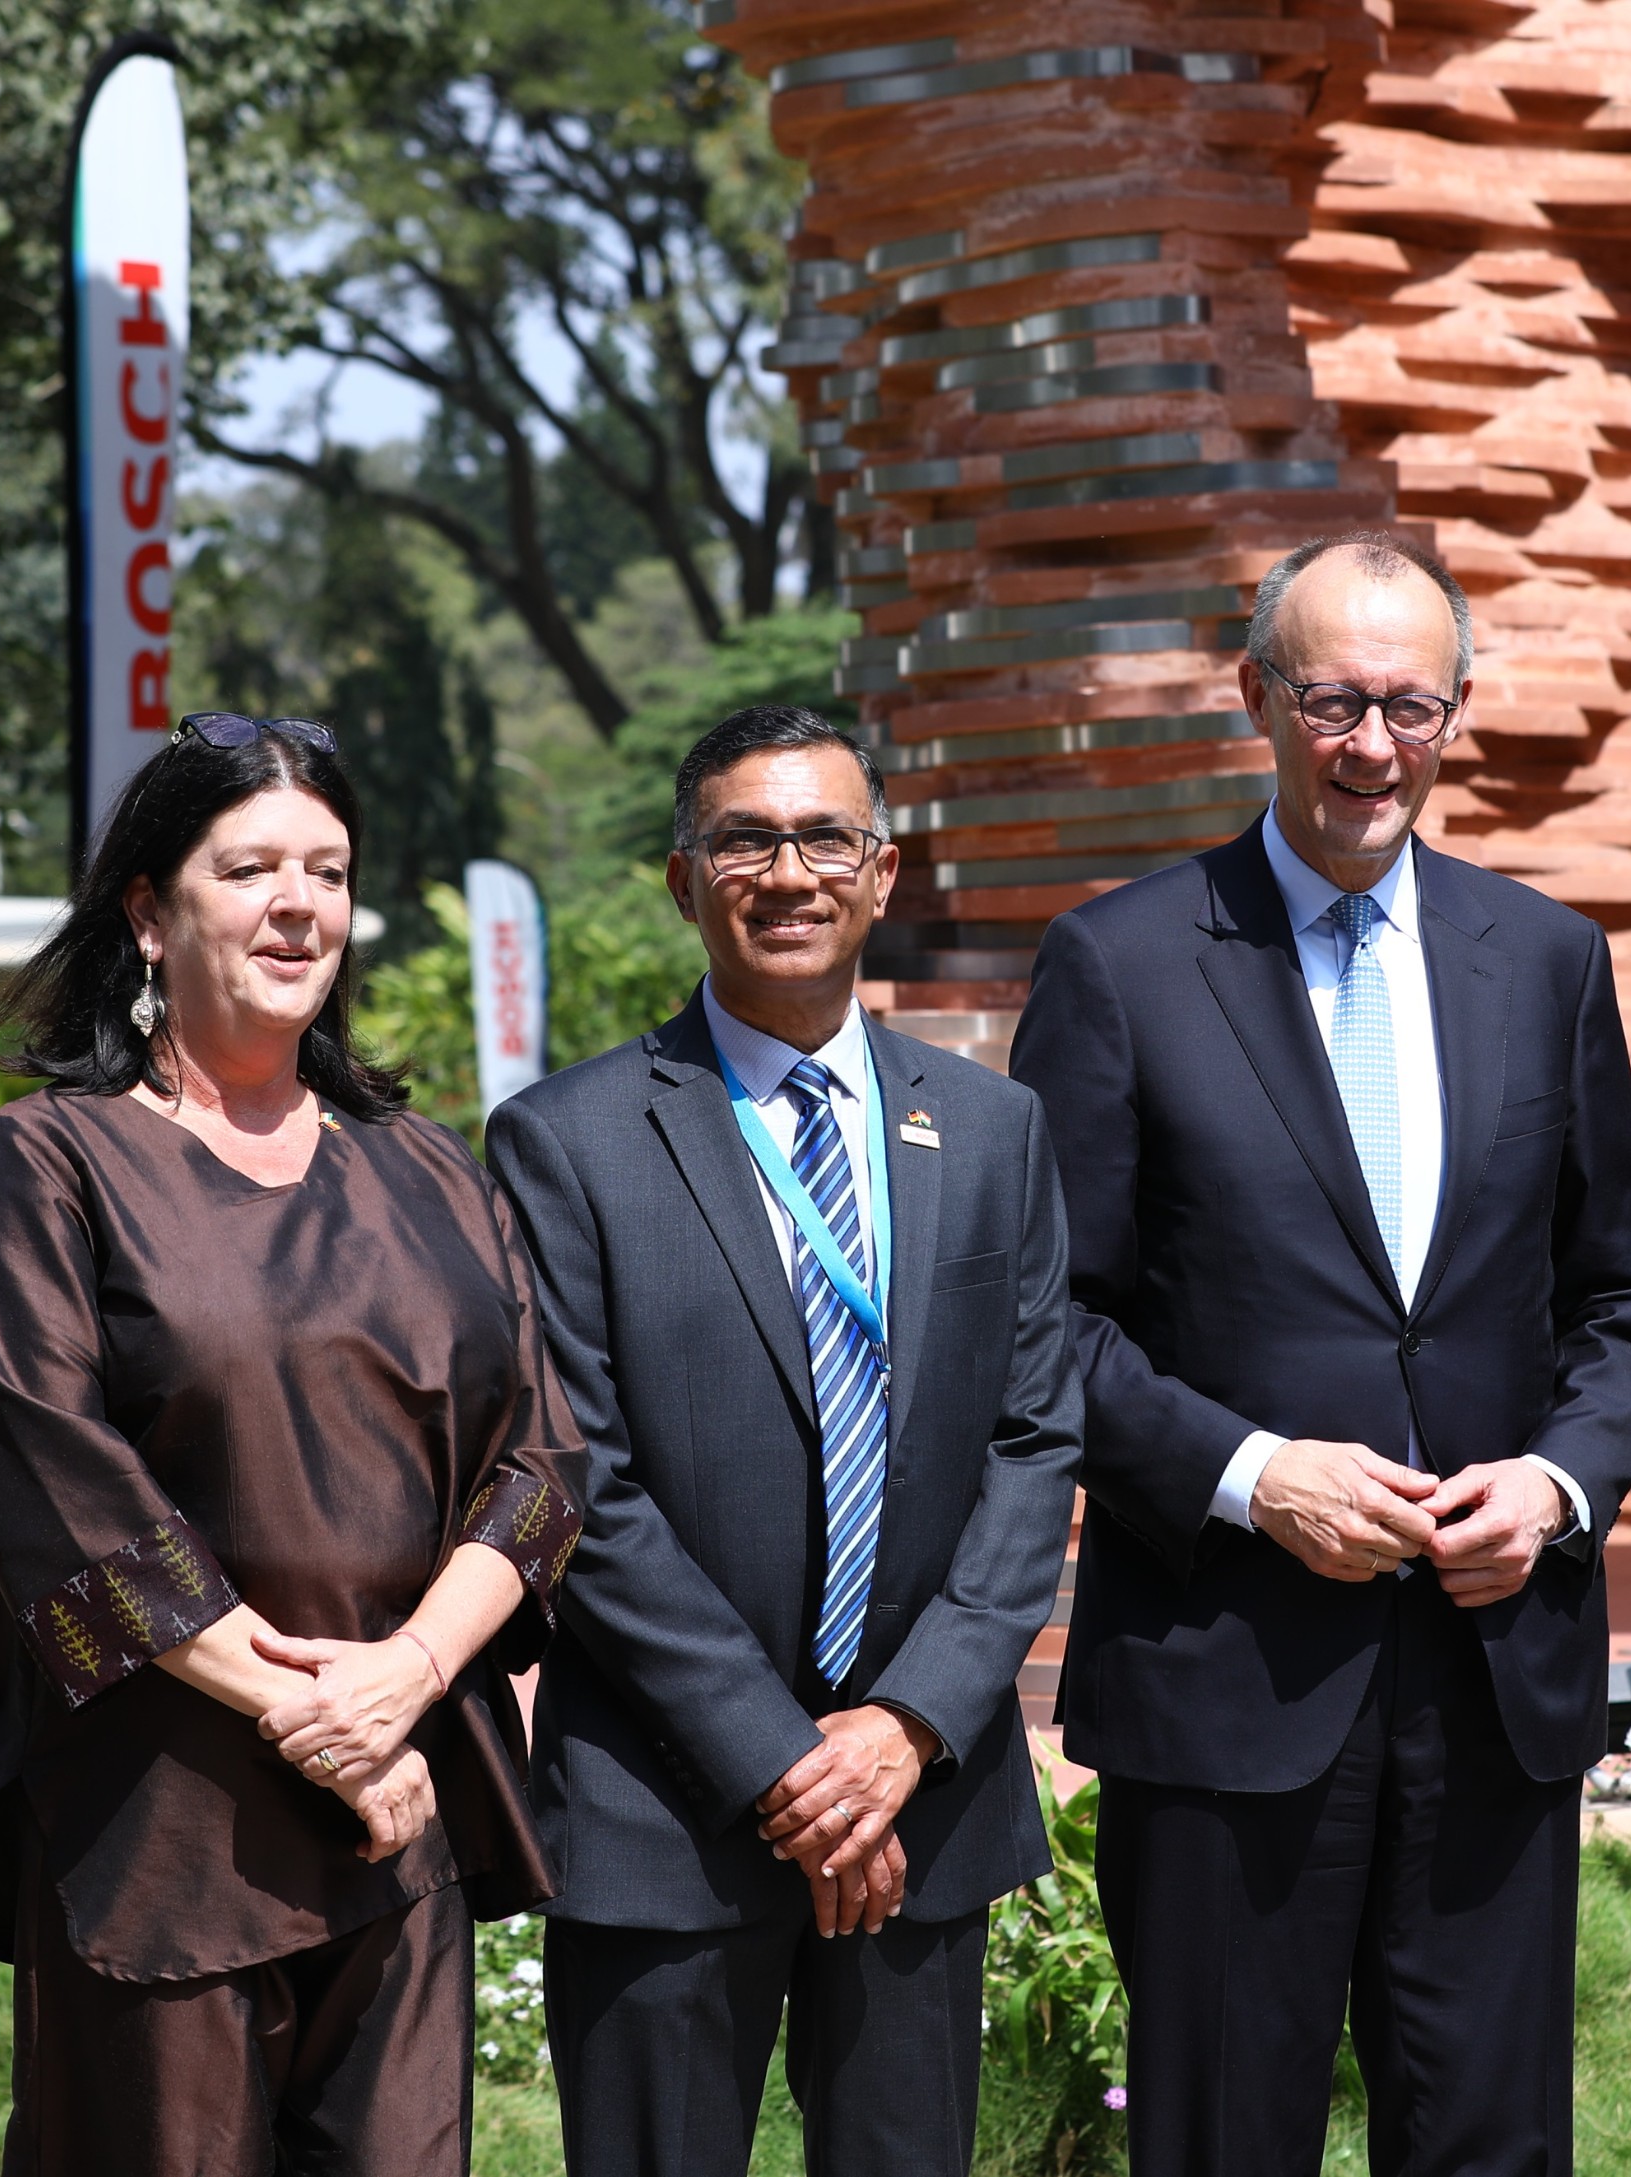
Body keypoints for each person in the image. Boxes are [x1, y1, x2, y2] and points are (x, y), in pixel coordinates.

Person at [0, 713, 585, 2177]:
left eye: (328, 867)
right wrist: (322, 1722)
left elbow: (543, 1468)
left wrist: (407, 1682)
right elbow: (59, 1495)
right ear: (147, 908)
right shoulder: (44, 1169)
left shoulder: (428, 1163)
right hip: (165, 1834)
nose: (298, 902)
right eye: (250, 867)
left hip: (401, 1817)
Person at [1006, 531, 1631, 2175]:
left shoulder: (1550, 964)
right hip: (1230, 1681)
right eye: (1333, 700)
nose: (1374, 744)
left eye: (1412, 704)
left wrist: (1565, 1485)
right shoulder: (1122, 963)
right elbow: (1044, 1324)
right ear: (1256, 699)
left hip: (1494, 1676)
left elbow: (1617, 1306)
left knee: (1492, 2145)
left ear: (1458, 713)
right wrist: (1249, 1474)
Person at [485, 704, 1084, 2176]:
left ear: (884, 872)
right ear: (685, 880)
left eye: (825, 835)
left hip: (920, 1800)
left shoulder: (995, 1128)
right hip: (664, 1812)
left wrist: (903, 1725)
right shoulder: (569, 1140)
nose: (789, 870)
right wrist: (781, 1760)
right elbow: (585, 1483)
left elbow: (1034, 1437)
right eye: (744, 838)